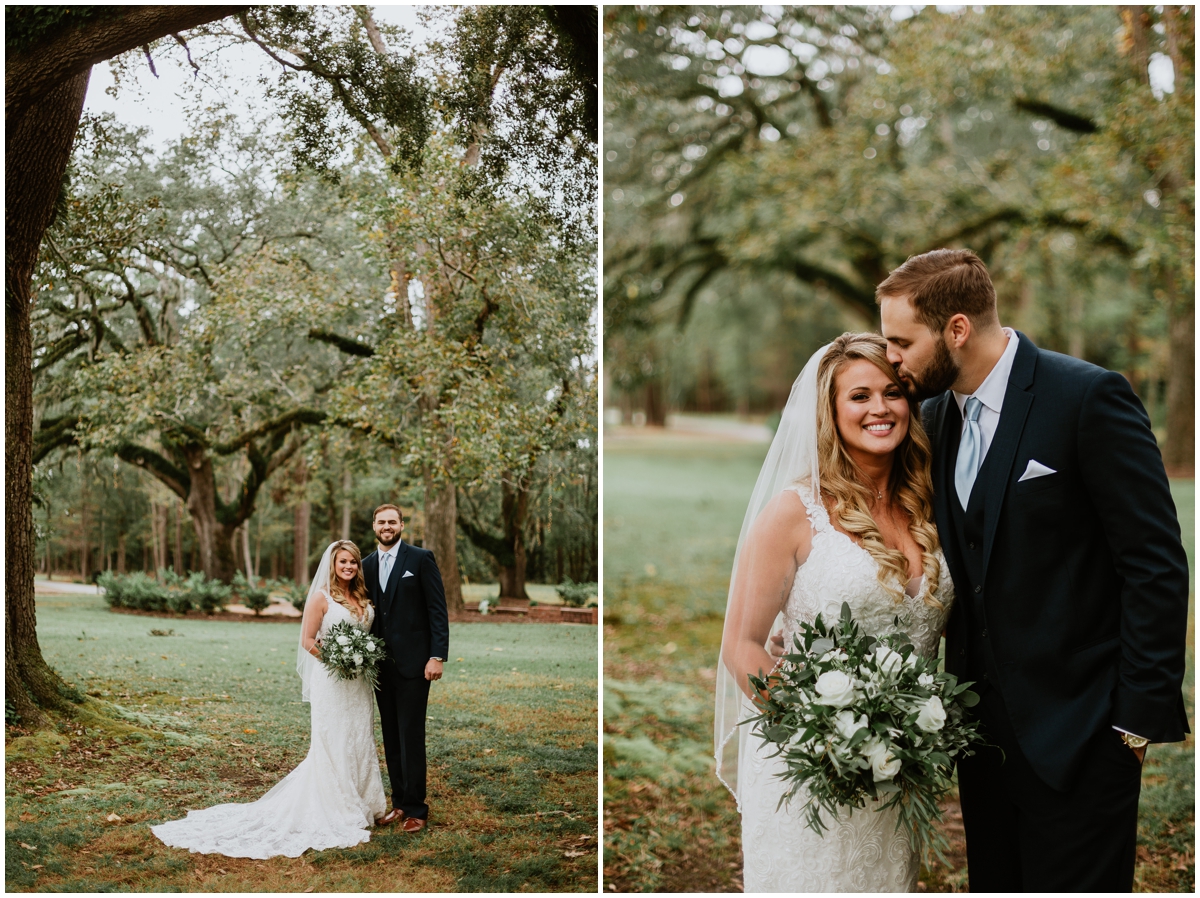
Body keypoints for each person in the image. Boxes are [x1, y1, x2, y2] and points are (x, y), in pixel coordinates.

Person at [877, 248, 1190, 891]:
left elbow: (1154, 563)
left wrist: (1133, 724)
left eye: (901, 341)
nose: (892, 359)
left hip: (1085, 737)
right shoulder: (936, 418)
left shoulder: (1086, 396)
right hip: (981, 743)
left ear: (956, 329)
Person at [715, 332, 956, 892]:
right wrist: (822, 739)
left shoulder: (932, 505)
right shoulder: (794, 513)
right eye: (859, 396)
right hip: (814, 771)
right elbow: (742, 645)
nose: (880, 409)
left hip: (901, 768)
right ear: (829, 411)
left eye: (893, 392)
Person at [151, 540, 387, 858]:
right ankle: (340, 807)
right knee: (334, 740)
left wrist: (360, 657)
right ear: (332, 564)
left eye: (353, 562)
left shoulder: (362, 596)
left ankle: (368, 803)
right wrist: (337, 659)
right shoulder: (321, 599)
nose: (348, 566)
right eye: (342, 561)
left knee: (360, 737)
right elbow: (307, 640)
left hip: (358, 684)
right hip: (332, 681)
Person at [362, 504, 449, 833]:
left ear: (401, 525)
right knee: (391, 736)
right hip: (380, 667)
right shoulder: (367, 565)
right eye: (381, 522)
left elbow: (436, 609)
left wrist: (437, 655)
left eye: (392, 521)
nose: (387, 526)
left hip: (416, 664)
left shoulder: (420, 559)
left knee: (410, 735)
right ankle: (399, 802)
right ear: (374, 526)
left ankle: (417, 808)